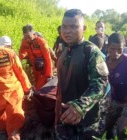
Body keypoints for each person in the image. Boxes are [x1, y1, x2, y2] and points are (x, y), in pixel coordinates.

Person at [55, 9, 109, 140]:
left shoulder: (91, 52)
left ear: (83, 28)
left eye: (74, 27)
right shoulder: (64, 51)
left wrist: (80, 106)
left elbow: (101, 83)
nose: (67, 31)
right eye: (64, 27)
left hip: (86, 119)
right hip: (65, 115)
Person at [19, 24, 53, 91]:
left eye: (29, 37)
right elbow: (21, 52)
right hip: (35, 66)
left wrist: (49, 74)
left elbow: (48, 58)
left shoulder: (41, 42)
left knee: (40, 86)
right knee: (37, 82)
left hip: (44, 67)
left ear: (33, 33)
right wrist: (20, 58)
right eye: (25, 37)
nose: (28, 39)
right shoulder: (24, 41)